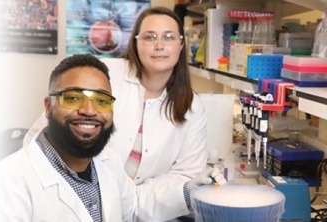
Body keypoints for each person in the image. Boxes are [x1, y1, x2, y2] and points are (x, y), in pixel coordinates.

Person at [23, 6, 219, 221]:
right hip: (70, 202)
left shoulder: (192, 106)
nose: (159, 45)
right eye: (149, 37)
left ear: (181, 44)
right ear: (135, 42)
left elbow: (184, 176)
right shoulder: (104, 75)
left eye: (169, 37)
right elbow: (43, 137)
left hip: (147, 209)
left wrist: (133, 196)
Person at [0, 54, 223, 222]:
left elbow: (133, 208)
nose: (89, 111)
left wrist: (188, 191)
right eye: (73, 98)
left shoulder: (108, 162)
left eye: (101, 101)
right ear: (48, 107)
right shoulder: (4, 184)